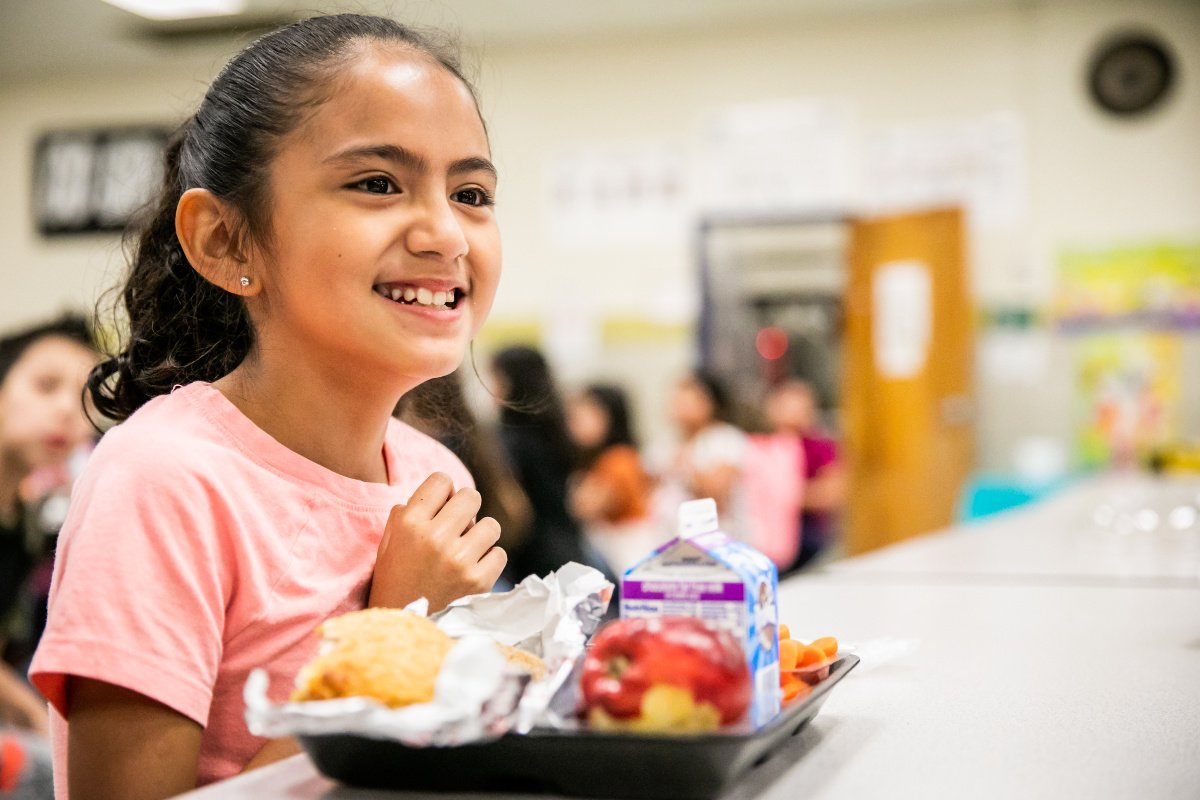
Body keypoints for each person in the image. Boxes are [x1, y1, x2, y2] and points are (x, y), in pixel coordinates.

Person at [29, 14, 506, 797]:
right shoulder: (163, 480)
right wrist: (390, 633)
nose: (446, 233)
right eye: (378, 183)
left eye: (472, 192)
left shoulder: (432, 474)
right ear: (225, 241)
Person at [0, 314, 98, 800]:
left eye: (83, 396)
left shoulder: (25, 518)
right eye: (45, 386)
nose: (68, 411)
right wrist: (35, 719)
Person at [489, 346, 599, 583]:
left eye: (496, 378)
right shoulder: (558, 428)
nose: (492, 390)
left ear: (511, 380)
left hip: (530, 554)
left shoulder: (510, 438)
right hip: (568, 544)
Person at [565, 383, 661, 575]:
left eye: (587, 413)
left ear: (611, 416)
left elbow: (585, 507)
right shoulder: (605, 459)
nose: (575, 422)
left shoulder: (618, 460)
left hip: (625, 556)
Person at [654, 369, 751, 539]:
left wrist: (687, 467)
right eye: (677, 399)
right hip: (672, 541)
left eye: (689, 399)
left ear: (710, 403)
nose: (680, 405)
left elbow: (717, 494)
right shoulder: (666, 444)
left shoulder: (725, 438)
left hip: (716, 541)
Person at [764, 378, 846, 573]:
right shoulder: (762, 446)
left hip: (809, 537)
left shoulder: (820, 447)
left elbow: (832, 493)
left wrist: (784, 496)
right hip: (768, 538)